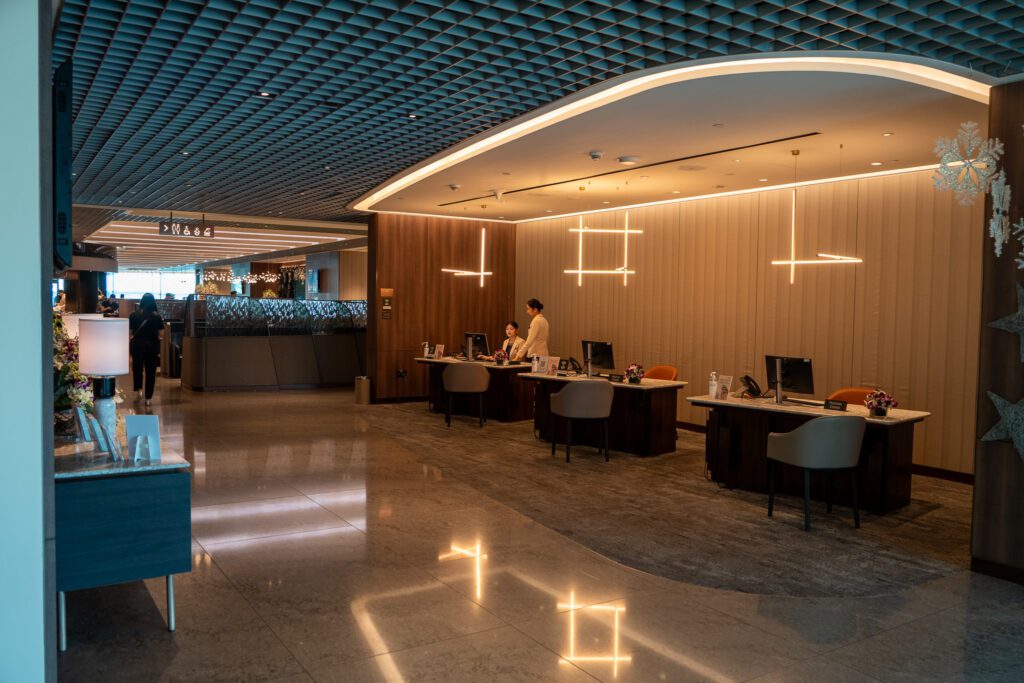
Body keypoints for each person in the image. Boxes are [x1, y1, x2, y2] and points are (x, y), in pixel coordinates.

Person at [129, 292, 164, 406]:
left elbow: (130, 332)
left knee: (137, 368)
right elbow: (161, 334)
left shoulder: (134, 315)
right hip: (152, 346)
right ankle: (148, 397)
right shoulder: (157, 316)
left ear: (142, 301)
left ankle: (139, 389)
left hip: (137, 345)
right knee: (150, 372)